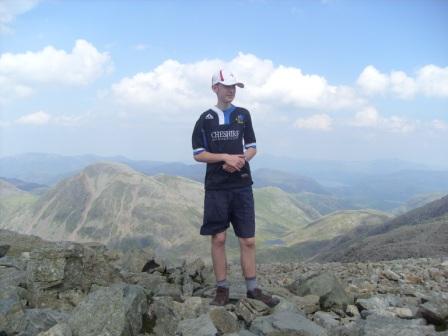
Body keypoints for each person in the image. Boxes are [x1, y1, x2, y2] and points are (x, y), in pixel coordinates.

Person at [191, 69, 279, 307]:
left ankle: (253, 289)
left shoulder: (243, 115)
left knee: (248, 240)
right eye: (226, 86)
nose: (231, 90)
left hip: (241, 185)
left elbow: (252, 146)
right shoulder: (205, 119)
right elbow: (198, 154)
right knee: (218, 239)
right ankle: (222, 289)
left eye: (234, 86)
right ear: (215, 88)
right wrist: (225, 158)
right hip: (217, 187)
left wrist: (240, 160)